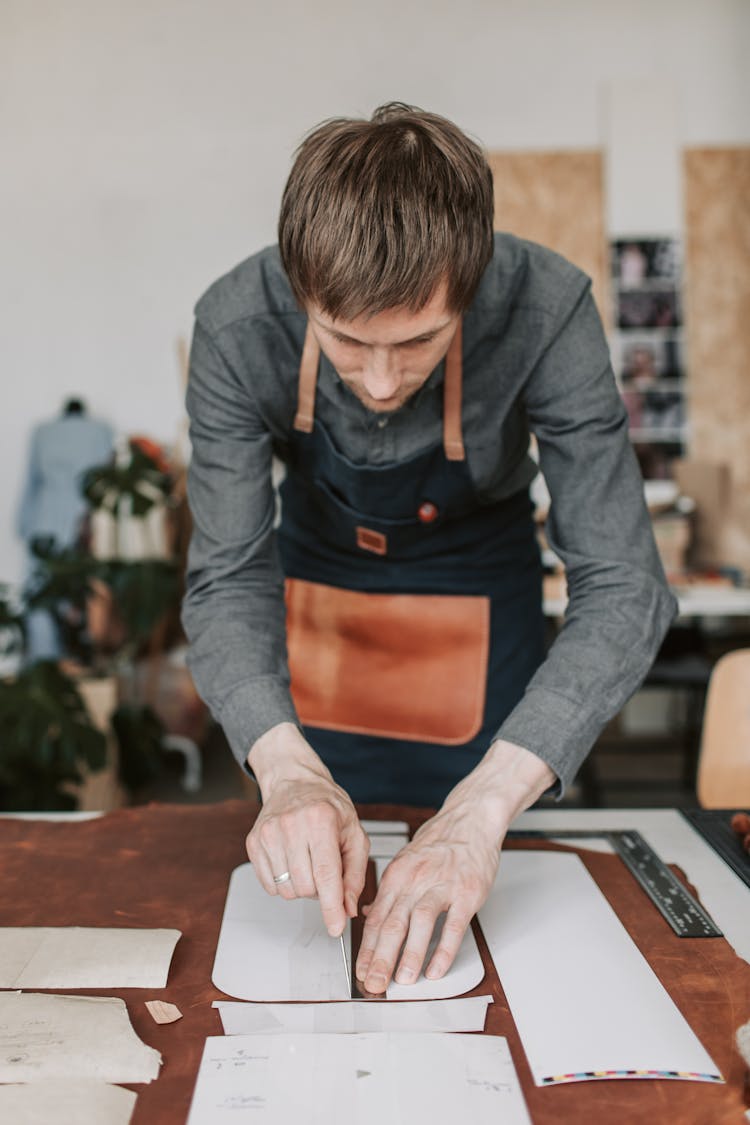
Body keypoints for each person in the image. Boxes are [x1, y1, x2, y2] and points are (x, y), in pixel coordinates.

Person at [183, 103, 677, 996]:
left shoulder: (547, 308)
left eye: (416, 341)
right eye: (344, 340)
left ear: (473, 286)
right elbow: (226, 575)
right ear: (299, 290)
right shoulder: (233, 325)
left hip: (486, 636)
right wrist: (287, 768)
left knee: (499, 943)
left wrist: (483, 810)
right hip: (319, 627)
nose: (378, 382)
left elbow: (625, 585)